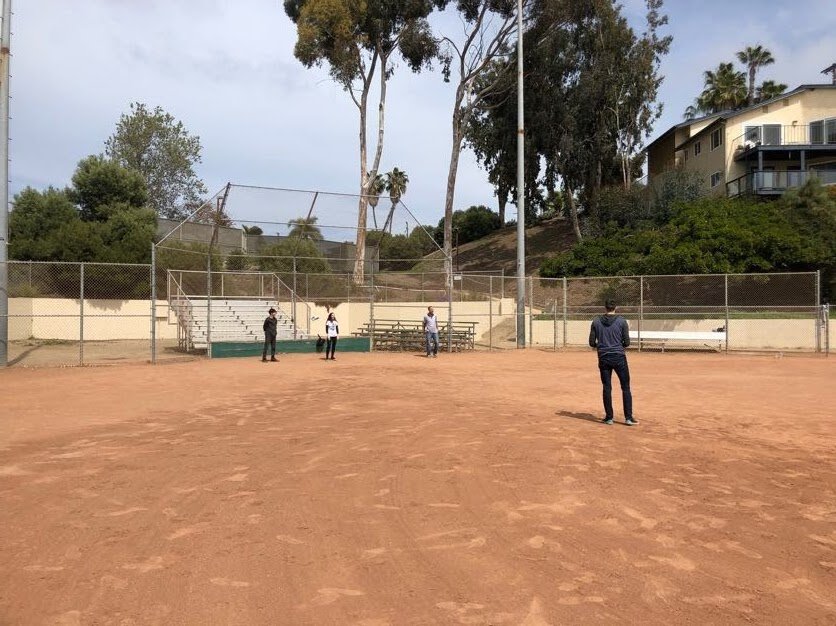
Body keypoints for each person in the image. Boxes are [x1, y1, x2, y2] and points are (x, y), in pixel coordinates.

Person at [589, 300, 637, 425]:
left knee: (607, 387)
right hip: (619, 356)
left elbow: (591, 342)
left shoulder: (596, 321)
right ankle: (628, 417)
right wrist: (617, 345)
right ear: (616, 307)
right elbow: (626, 342)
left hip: (604, 357)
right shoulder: (622, 321)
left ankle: (609, 417)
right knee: (625, 387)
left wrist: (600, 345)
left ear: (605, 307)